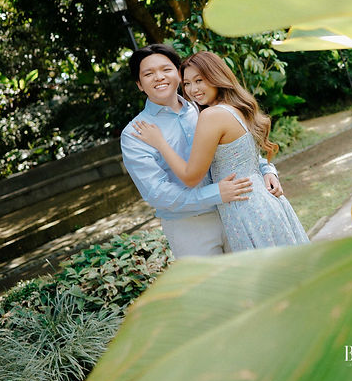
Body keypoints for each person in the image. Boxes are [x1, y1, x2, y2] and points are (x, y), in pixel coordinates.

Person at [131, 50, 309, 252]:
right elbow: (157, 193)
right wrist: (264, 172)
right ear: (139, 84)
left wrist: (160, 143)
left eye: (199, 80)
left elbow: (194, 175)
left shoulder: (208, 113)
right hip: (215, 218)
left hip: (245, 208)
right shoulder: (229, 107)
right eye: (188, 83)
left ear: (215, 76)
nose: (193, 89)